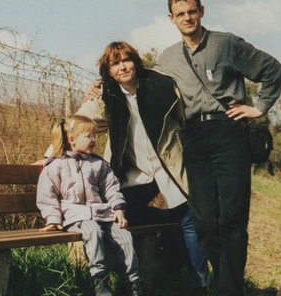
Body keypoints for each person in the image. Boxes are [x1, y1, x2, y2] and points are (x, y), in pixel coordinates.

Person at [155, 0, 281, 296]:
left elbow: (272, 70)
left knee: (232, 218)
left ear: (202, 10)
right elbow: (147, 93)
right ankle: (227, 285)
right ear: (171, 18)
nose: (188, 18)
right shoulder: (168, 58)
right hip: (194, 138)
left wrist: (259, 107)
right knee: (204, 221)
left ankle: (229, 290)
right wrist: (101, 86)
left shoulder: (226, 44)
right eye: (181, 14)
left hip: (229, 131)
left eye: (192, 11)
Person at [77, 41, 210, 295]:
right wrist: (52, 152)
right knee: (120, 214)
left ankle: (199, 286)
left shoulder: (159, 86)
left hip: (169, 167)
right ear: (108, 71)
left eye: (126, 60)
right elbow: (79, 124)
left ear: (135, 61)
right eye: (115, 64)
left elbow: (185, 116)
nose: (122, 67)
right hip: (135, 172)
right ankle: (126, 282)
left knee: (190, 220)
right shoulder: (109, 95)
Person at [36, 115, 142, 296]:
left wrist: (118, 209)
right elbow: (48, 195)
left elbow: (111, 188)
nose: (95, 140)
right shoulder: (56, 165)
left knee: (124, 235)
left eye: (95, 135)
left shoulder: (99, 164)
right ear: (72, 140)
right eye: (89, 136)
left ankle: (132, 283)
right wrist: (53, 219)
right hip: (76, 216)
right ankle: (100, 282)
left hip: (102, 213)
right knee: (93, 231)